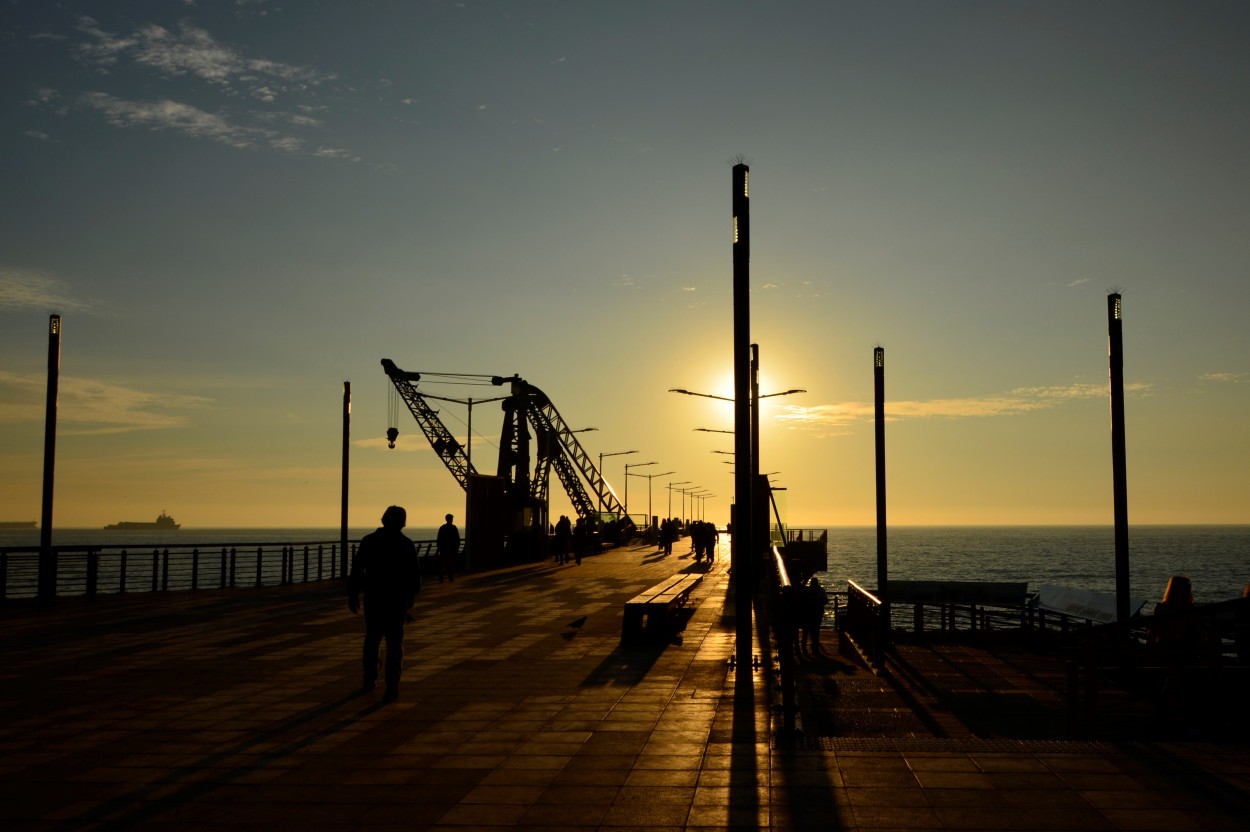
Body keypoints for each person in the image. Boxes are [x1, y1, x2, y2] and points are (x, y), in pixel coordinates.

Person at [348, 505, 420, 703]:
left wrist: (353, 593)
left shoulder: (369, 541)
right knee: (395, 642)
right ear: (403, 522)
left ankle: (369, 678)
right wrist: (410, 597)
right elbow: (413, 575)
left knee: (372, 639)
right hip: (397, 600)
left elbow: (357, 570)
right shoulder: (406, 544)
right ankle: (392, 684)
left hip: (374, 598)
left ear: (383, 519)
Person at [436, 513, 460, 582]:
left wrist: (439, 548)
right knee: (451, 565)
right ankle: (451, 578)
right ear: (451, 519)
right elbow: (457, 539)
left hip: (443, 550)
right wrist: (456, 548)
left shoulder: (442, 527)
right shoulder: (454, 528)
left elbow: (439, 539)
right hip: (451, 550)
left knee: (442, 565)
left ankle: (441, 579)